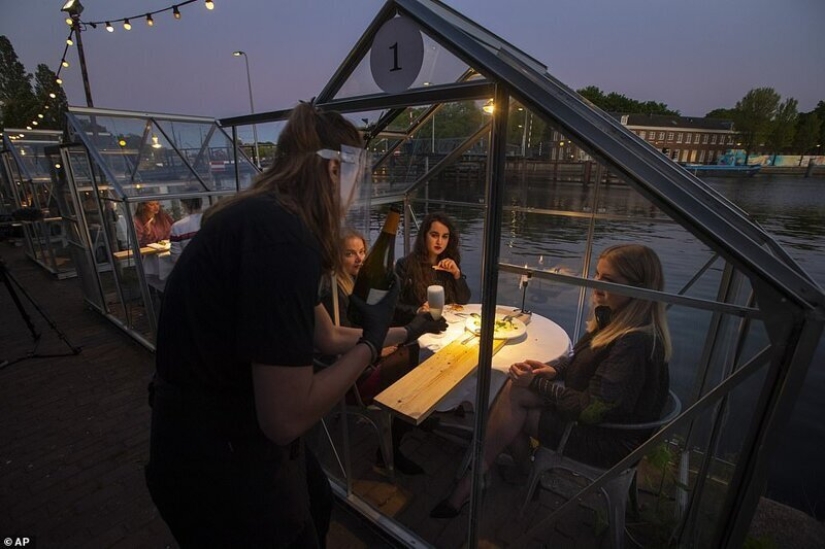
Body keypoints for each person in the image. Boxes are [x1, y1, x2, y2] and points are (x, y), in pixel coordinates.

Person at [145, 102, 445, 547]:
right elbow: (284, 419)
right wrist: (371, 345)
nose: (355, 188)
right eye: (357, 174)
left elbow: (322, 335)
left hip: (203, 439)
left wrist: (408, 329)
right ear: (331, 172)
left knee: (318, 501)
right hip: (217, 463)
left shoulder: (262, 218)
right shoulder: (283, 239)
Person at [431, 244, 672, 518]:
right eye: (596, 274)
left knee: (512, 403)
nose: (596, 284)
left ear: (638, 289)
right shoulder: (615, 318)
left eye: (609, 280)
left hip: (608, 441)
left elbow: (590, 409)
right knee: (513, 394)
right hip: (602, 420)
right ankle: (511, 476)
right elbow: (579, 359)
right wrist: (552, 370)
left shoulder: (634, 342)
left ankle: (475, 482)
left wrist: (535, 384)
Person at [319, 228, 445, 475]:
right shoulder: (333, 294)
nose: (359, 259)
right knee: (417, 360)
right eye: (350, 254)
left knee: (418, 349)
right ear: (335, 257)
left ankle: (416, 417)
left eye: (362, 252)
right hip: (353, 380)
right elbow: (342, 345)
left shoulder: (358, 283)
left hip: (365, 361)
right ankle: (388, 454)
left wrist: (416, 316)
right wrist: (380, 349)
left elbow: (387, 313)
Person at [394, 211, 471, 325]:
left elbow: (463, 301)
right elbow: (394, 305)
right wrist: (418, 310)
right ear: (424, 235)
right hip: (417, 327)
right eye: (434, 235)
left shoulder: (449, 264)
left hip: (446, 325)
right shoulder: (405, 265)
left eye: (444, 237)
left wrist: (457, 275)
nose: (439, 242)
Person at [169, 195, 203, 262]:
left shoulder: (177, 227)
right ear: (201, 202)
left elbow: (176, 258)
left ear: (184, 204)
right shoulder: (212, 219)